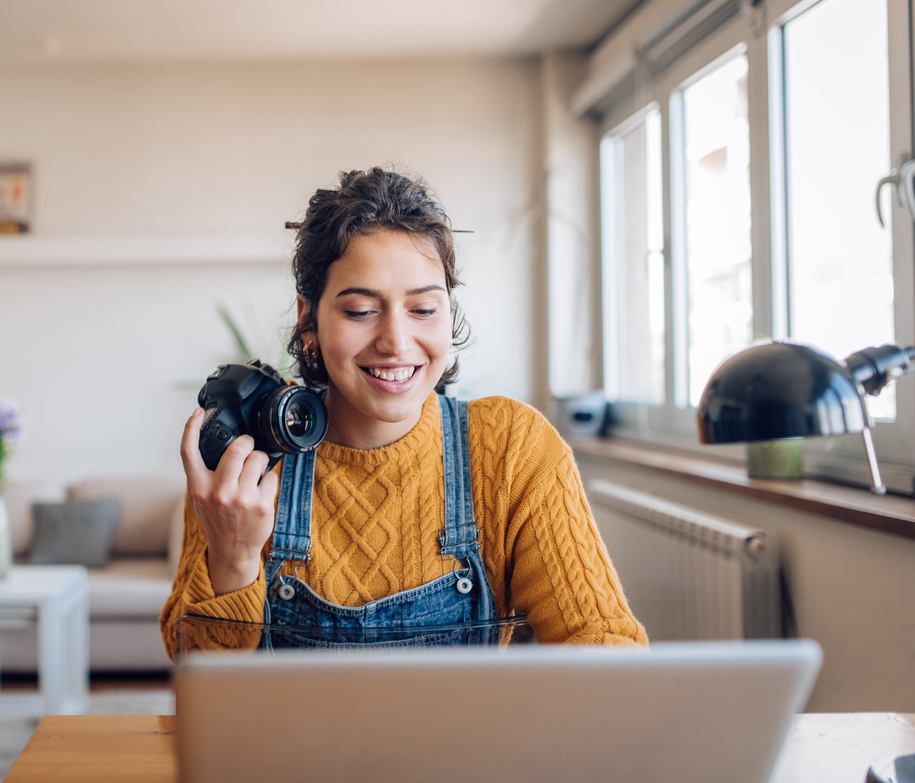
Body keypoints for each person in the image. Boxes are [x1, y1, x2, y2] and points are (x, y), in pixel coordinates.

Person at [161, 167, 647, 657]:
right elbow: (206, 691)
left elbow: (607, 650)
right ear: (309, 318)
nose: (396, 342)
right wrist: (234, 558)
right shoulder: (250, 452)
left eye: (423, 309)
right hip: (292, 738)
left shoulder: (512, 449)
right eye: (360, 311)